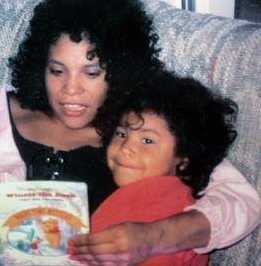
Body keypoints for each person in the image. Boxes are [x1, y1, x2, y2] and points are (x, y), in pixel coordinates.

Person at [0, 0, 260, 265]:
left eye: (92, 72)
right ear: (40, 67)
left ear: (121, 70)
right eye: (57, 70)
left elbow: (240, 200)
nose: (70, 90)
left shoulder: (139, 127)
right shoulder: (3, 109)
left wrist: (153, 237)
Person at [86, 70, 238, 265]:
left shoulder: (160, 207)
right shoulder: (140, 194)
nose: (126, 149)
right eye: (122, 134)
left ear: (185, 157)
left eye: (147, 140)